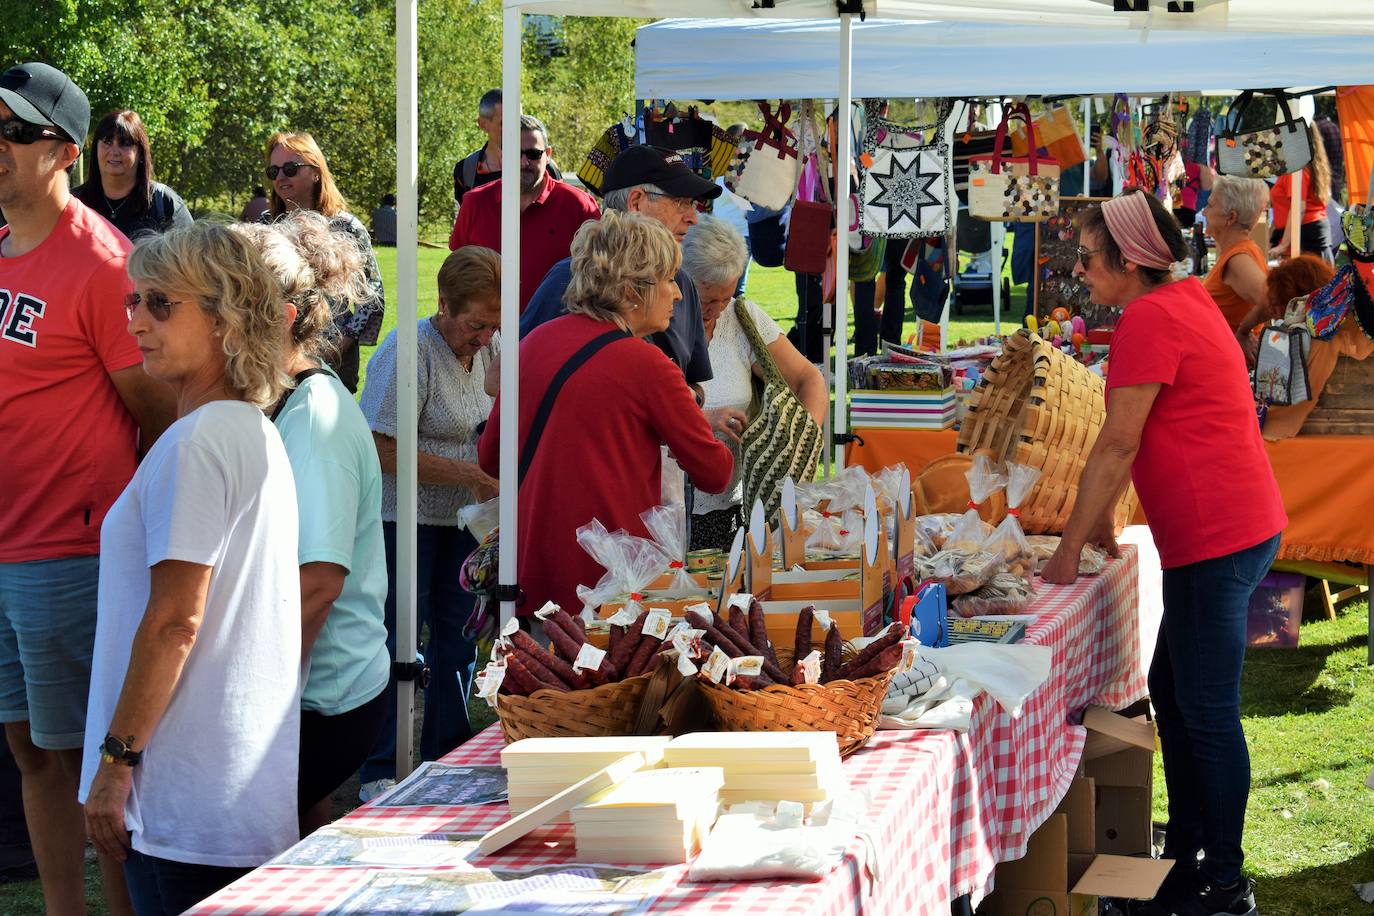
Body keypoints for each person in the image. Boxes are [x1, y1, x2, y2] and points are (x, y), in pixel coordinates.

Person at [1041, 190, 1285, 916]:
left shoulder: (1150, 317)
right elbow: (1146, 438)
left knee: (1204, 711)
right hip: (1223, 530)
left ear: (1129, 260)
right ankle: (1183, 861)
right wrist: (1098, 524)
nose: (1078, 270)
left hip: (1218, 537)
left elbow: (1118, 443)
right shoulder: (1179, 302)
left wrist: (1068, 551)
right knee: (1175, 701)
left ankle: (1223, 881)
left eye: (1086, 258)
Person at [79, 222, 303, 916]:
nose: (137, 320)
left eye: (160, 304)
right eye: (133, 302)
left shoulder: (201, 442)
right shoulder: (243, 429)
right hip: (218, 792)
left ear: (223, 314)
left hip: (182, 798)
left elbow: (176, 619)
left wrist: (117, 763)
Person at [0, 60, 173, 916]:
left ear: (63, 151)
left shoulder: (105, 264)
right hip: (4, 547)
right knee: (31, 753)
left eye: (15, 132)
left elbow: (155, 409)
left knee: (86, 768)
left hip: (68, 549)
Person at [478, 211, 733, 619]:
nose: (679, 295)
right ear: (635, 290)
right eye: (669, 279)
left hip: (530, 572)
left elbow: (491, 457)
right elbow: (715, 471)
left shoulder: (533, 344)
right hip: (611, 588)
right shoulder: (649, 366)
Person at [231, 213, 389, 836]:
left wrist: (250, 706)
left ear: (280, 316)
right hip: (312, 691)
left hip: (323, 696)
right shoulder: (285, 400)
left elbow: (318, 583)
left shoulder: (315, 418)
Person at [355, 246, 501, 801]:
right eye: (474, 325)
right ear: (443, 306)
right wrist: (468, 473)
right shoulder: (408, 349)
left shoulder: (493, 349)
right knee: (397, 640)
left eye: (492, 325)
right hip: (404, 517)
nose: (484, 337)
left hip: (465, 523)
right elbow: (382, 448)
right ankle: (381, 764)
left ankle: (449, 753)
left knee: (460, 639)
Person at [519, 144, 718, 390]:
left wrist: (682, 400)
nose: (693, 217)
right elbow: (510, 378)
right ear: (636, 201)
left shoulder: (682, 283)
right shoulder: (572, 278)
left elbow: (693, 383)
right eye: (680, 201)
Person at [681, 216, 827, 550]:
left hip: (734, 509)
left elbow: (808, 379)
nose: (718, 309)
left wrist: (802, 440)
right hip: (668, 510)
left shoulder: (741, 317)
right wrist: (704, 419)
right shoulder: (657, 322)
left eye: (726, 297)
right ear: (683, 281)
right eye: (708, 300)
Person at [265, 130, 385, 393]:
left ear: (316, 171)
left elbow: (373, 295)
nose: (281, 177)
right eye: (273, 171)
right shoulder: (265, 226)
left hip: (334, 362)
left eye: (290, 168)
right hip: (275, 361)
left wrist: (340, 344)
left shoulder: (345, 226)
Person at [447, 114, 598, 311]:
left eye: (533, 154)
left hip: (554, 334)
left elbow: (600, 276)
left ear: (548, 155)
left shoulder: (579, 205)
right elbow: (456, 275)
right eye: (514, 153)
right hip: (488, 335)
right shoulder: (475, 202)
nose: (523, 162)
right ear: (501, 155)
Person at [73, 109, 191, 241]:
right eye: (107, 142)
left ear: (140, 152)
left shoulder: (165, 203)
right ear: (96, 149)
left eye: (125, 144)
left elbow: (190, 257)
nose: (114, 151)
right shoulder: (73, 203)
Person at [1200, 175, 1271, 339]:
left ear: (1231, 217)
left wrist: (1243, 331)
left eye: (1210, 205)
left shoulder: (1238, 258)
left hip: (1228, 359)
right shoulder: (1242, 251)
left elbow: (1270, 300)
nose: (1204, 212)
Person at [1269, 123, 1334, 263]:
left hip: (1307, 238)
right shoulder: (1310, 166)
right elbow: (1285, 209)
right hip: (1313, 234)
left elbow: (1299, 209)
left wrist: (1282, 245)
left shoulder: (1297, 169)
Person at [453, 89, 504, 208]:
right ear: (483, 124)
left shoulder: (540, 166)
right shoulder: (466, 171)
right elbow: (464, 223)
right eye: (504, 123)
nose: (517, 128)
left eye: (521, 120)